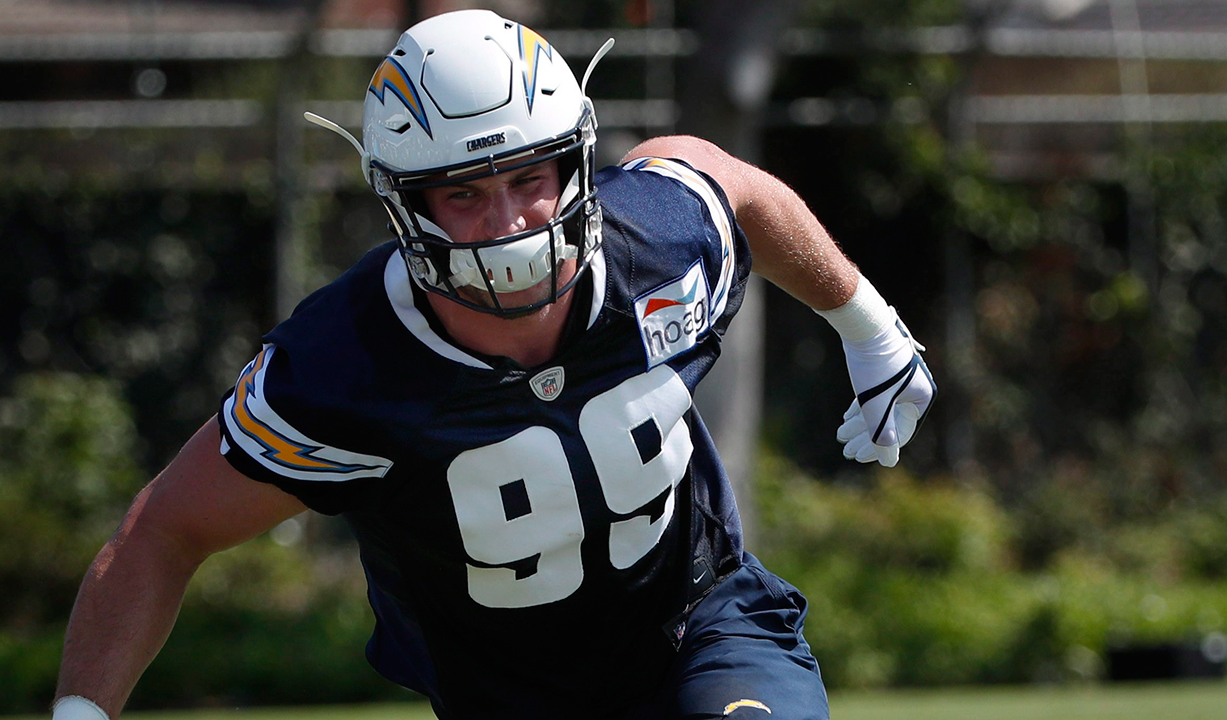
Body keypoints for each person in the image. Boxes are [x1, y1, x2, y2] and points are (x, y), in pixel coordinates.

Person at [52, 9, 935, 720]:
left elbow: (719, 175)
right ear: (404, 204)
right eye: (463, 193)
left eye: (529, 177)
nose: (508, 220)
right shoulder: (341, 368)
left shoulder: (654, 245)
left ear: (576, 165)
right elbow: (162, 534)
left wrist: (872, 328)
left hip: (703, 624)